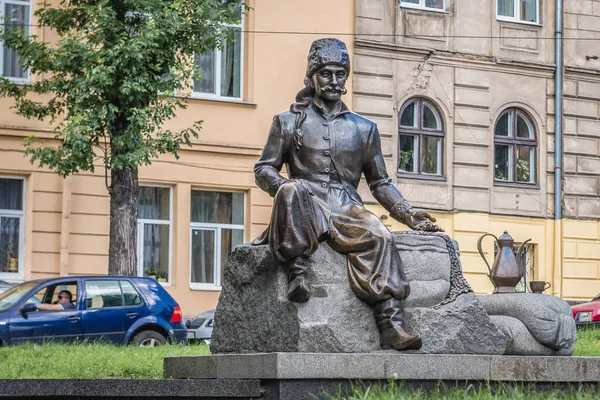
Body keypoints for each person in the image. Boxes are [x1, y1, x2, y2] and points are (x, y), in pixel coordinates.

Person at [253, 38, 443, 351]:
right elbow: (264, 169)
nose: (333, 80)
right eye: (325, 73)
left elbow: (380, 182)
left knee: (380, 235)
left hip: (345, 209)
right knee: (292, 189)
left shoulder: (363, 129)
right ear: (311, 76)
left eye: (340, 74)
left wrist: (408, 214)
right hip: (304, 204)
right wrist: (282, 186)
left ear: (346, 78)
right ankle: (298, 274)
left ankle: (391, 323)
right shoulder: (287, 123)